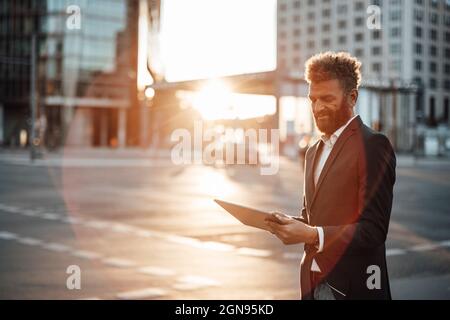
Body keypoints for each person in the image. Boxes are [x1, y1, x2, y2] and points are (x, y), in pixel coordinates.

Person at [265, 52, 396, 300]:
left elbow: (374, 230)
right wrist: (287, 223)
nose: (317, 108)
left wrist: (314, 235)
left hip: (356, 288)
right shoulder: (313, 151)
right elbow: (313, 218)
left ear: (352, 97)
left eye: (327, 99)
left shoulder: (373, 145)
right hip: (314, 283)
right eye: (313, 100)